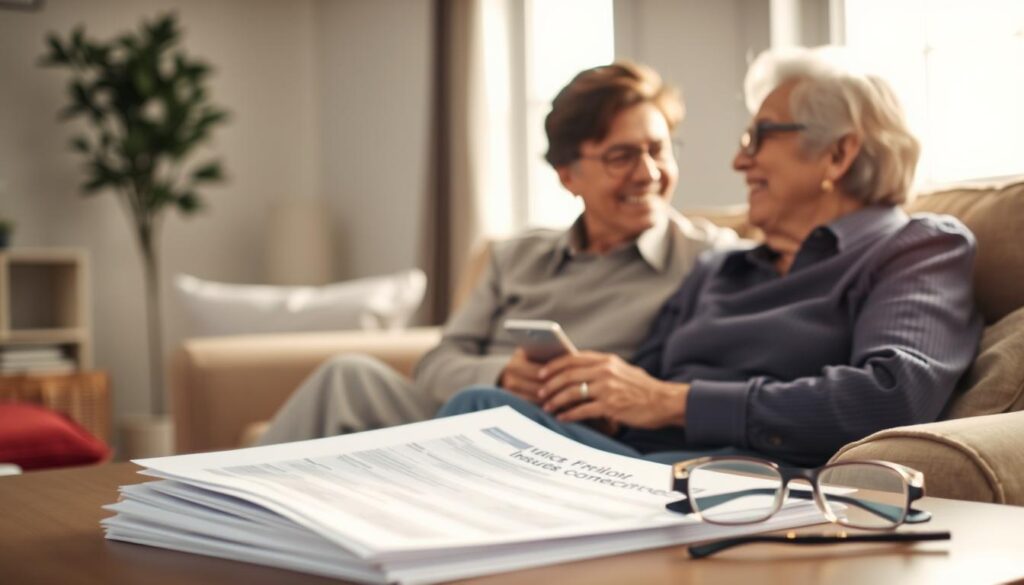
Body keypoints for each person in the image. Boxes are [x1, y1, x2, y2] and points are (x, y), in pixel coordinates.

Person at [438, 46, 984, 467]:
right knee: (485, 410)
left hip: (738, 481)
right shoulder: (720, 268)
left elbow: (891, 395)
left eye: (758, 138)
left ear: (838, 153)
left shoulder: (916, 248)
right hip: (635, 466)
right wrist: (594, 395)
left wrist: (676, 403)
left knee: (479, 415)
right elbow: (639, 384)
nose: (738, 160)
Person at [256, 61, 738, 445]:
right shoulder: (517, 256)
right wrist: (504, 374)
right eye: (621, 156)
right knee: (347, 375)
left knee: (480, 408)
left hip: (565, 441)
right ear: (568, 175)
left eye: (659, 149)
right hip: (468, 414)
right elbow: (438, 363)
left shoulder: (707, 257)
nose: (649, 172)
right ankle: (216, 517)